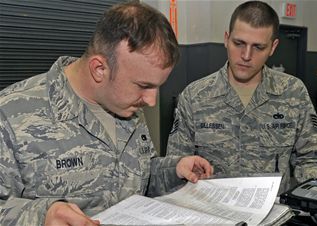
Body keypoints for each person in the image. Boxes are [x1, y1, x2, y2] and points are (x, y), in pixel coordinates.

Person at [0, 2, 213, 226]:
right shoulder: (11, 114)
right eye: (143, 85)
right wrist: (41, 216)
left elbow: (136, 174)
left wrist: (173, 170)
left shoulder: (128, 106)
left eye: (157, 87)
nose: (151, 101)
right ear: (99, 69)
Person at [166, 0, 317, 194]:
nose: (246, 56)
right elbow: (175, 166)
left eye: (258, 47)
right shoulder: (195, 96)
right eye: (239, 43)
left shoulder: (292, 93)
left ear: (273, 47)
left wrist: (302, 199)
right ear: (226, 39)